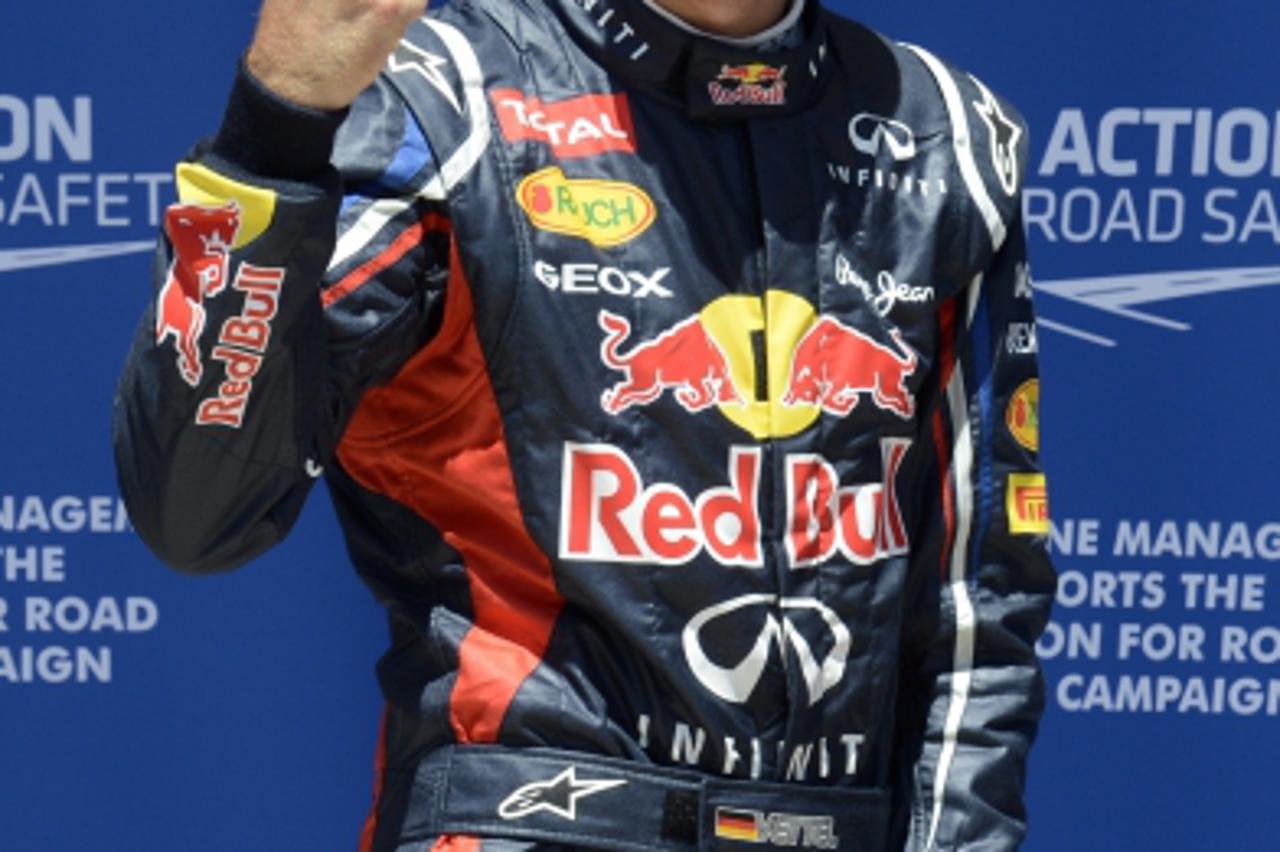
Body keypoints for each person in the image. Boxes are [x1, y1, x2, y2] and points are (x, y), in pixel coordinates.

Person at [113, 0, 1056, 848]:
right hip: (533, 820)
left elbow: (978, 607)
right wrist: (274, 134)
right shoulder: (447, 103)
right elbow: (199, 511)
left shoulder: (946, 140)